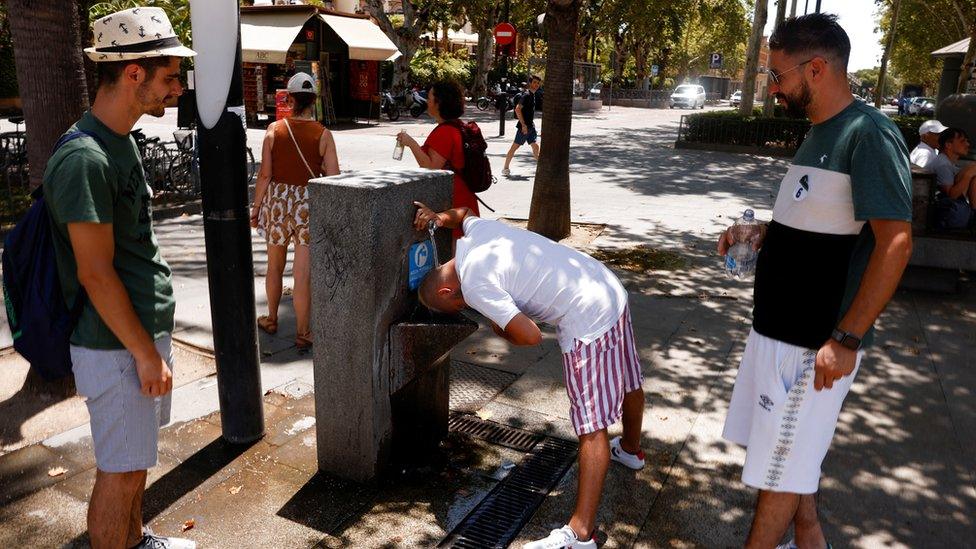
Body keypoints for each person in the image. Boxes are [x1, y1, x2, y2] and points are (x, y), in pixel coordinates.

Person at [717, 14, 913, 549]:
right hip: (777, 333)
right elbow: (817, 221)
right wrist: (760, 236)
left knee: (780, 470)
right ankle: (808, 536)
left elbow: (895, 242)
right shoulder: (820, 133)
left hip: (815, 346)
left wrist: (846, 338)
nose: (775, 88)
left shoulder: (869, 134)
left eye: (779, 76)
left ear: (817, 68)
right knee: (789, 458)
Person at [43, 7, 195, 549]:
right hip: (116, 348)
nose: (178, 88)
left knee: (136, 463)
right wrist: (145, 354)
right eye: (170, 76)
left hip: (135, 340)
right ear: (133, 72)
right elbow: (95, 273)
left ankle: (135, 541)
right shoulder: (84, 158)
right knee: (121, 471)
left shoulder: (121, 140)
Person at [413, 204, 646, 549]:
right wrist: (441, 218)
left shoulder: (475, 284)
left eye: (451, 308)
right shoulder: (477, 237)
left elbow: (532, 336)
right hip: (605, 285)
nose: (460, 310)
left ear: (447, 293)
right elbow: (462, 214)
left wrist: (499, 327)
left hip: (587, 315)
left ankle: (581, 534)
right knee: (627, 375)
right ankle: (630, 449)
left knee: (590, 424)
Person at [250, 72, 340, 351]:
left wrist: (256, 209)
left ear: (288, 99)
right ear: (314, 100)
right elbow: (334, 176)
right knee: (302, 273)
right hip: (307, 204)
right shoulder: (324, 134)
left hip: (277, 201)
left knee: (274, 265)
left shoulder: (273, 130)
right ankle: (303, 331)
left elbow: (264, 175)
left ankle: (272, 318)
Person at [397, 80, 479, 240]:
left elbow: (431, 168)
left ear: (438, 103)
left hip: (455, 200)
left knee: (456, 257)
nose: (426, 102)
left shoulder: (445, 132)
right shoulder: (456, 127)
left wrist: (411, 143)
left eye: (429, 98)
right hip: (464, 197)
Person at [928, 127, 976, 230]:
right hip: (945, 215)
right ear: (948, 145)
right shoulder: (943, 164)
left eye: (967, 141)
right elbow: (951, 195)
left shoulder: (946, 163)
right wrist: (968, 175)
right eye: (962, 141)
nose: (967, 145)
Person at [502, 75, 543, 177]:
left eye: (538, 83)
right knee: (515, 147)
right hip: (523, 127)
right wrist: (523, 125)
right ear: (530, 83)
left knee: (535, 146)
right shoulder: (526, 95)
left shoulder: (533, 95)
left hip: (531, 126)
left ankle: (541, 168)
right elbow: (517, 109)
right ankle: (505, 168)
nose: (536, 85)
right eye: (534, 82)